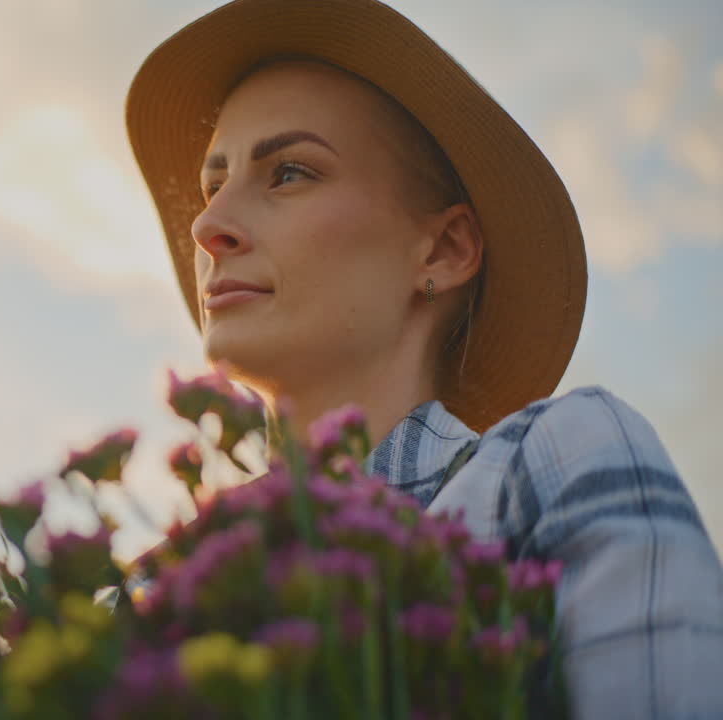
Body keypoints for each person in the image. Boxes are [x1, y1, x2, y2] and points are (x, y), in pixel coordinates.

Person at [124, 0, 723, 717]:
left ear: (443, 250)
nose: (208, 224)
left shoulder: (552, 463)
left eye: (288, 172)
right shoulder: (146, 594)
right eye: (212, 185)